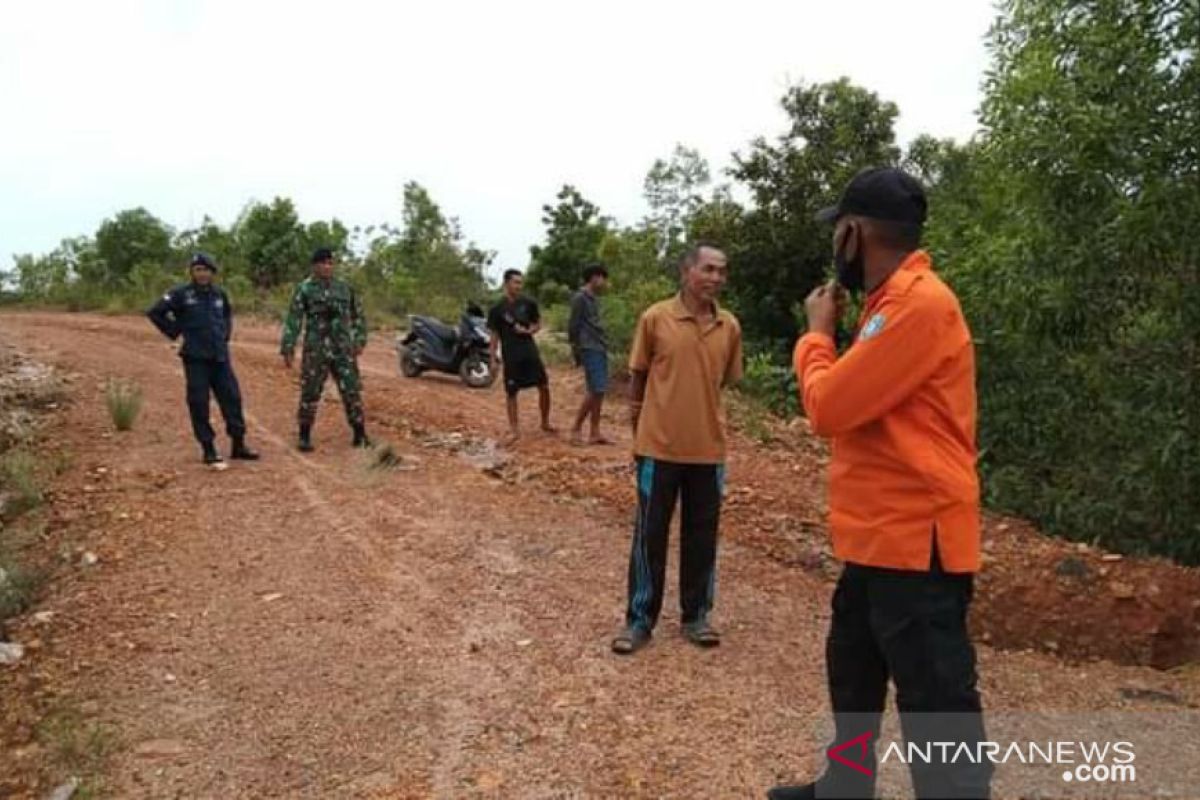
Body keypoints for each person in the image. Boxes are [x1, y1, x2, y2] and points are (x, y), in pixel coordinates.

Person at [768, 168, 991, 800]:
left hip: (917, 546)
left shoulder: (919, 305)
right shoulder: (887, 305)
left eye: (838, 228)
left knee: (937, 704)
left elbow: (829, 408)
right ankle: (845, 785)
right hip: (878, 540)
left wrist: (815, 334)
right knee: (853, 667)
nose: (836, 241)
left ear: (854, 232)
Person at [611, 242, 743, 655]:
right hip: (658, 449)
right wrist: (639, 433)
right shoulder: (656, 318)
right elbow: (638, 377)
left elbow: (721, 382)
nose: (716, 278)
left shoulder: (730, 327)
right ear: (687, 272)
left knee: (702, 536)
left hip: (708, 452)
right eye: (708, 269)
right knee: (649, 535)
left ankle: (696, 616)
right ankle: (638, 620)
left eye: (721, 271)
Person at [147, 253, 260, 468]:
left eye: (206, 270)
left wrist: (225, 334)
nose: (202, 274)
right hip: (195, 358)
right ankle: (208, 448)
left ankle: (238, 444)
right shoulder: (181, 294)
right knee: (199, 402)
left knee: (232, 399)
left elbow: (227, 315)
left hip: (220, 357)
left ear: (212, 272)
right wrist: (175, 331)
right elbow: (155, 312)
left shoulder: (219, 294)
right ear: (192, 272)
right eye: (198, 269)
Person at [280, 247, 370, 452]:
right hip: (316, 348)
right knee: (310, 391)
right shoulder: (305, 289)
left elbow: (359, 315)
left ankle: (360, 434)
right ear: (314, 266)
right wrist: (288, 346)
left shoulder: (344, 288)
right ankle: (304, 435)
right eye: (323, 263)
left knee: (352, 390)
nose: (327, 267)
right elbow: (294, 318)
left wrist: (360, 338)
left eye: (330, 263)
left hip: (342, 349)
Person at [487, 269, 555, 444]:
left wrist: (529, 330)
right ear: (506, 283)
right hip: (511, 355)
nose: (519, 286)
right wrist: (492, 358)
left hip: (529, 351)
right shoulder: (497, 309)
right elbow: (494, 335)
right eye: (516, 282)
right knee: (511, 392)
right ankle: (514, 429)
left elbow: (538, 323)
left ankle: (545, 422)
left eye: (520, 282)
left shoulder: (528, 303)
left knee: (544, 385)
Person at [567, 262, 612, 446]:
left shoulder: (594, 298)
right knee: (595, 390)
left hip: (599, 346)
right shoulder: (580, 298)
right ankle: (576, 428)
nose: (603, 282)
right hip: (588, 347)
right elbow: (573, 326)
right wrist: (576, 350)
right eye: (602, 277)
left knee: (599, 391)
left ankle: (595, 431)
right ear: (594, 277)